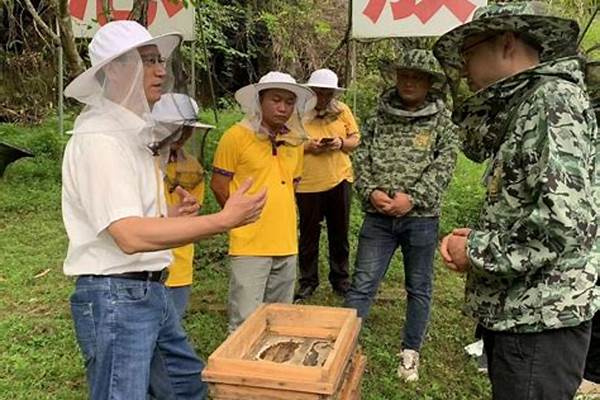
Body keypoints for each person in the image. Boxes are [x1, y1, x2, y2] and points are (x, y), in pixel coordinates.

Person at [62, 21, 266, 400]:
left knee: (186, 388)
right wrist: (223, 220)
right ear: (114, 69)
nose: (161, 70)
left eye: (160, 60)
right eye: (147, 60)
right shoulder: (101, 138)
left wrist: (168, 220)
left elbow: (128, 223)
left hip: (148, 291)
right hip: (116, 296)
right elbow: (128, 235)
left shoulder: (131, 134)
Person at [434, 2, 599, 399]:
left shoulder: (551, 101)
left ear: (506, 42)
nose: (465, 65)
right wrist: (487, 234)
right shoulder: (535, 103)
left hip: (539, 321)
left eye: (469, 51)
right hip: (528, 315)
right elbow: (542, 205)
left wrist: (473, 249)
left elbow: (559, 223)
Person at [344, 49, 459, 382]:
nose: (409, 82)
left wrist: (413, 200)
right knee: (362, 285)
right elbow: (360, 158)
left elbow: (444, 166)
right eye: (404, 75)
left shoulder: (442, 123)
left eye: (417, 77)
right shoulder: (378, 117)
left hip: (421, 220)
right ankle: (343, 346)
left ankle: (410, 353)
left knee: (419, 287)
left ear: (429, 83)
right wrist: (370, 192)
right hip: (377, 218)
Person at [210, 71, 315, 332]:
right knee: (244, 320)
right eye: (276, 100)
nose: (283, 107)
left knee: (280, 317)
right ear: (259, 101)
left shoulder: (294, 142)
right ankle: (237, 371)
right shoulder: (236, 136)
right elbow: (219, 185)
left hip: (286, 241)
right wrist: (237, 219)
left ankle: (272, 370)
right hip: (249, 244)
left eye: (289, 102)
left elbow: (293, 185)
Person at [293, 69, 360, 301]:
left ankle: (340, 279)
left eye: (326, 93)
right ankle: (307, 281)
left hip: (339, 178)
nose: (322, 97)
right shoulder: (297, 112)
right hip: (307, 182)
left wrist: (340, 142)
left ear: (333, 94)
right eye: (318, 92)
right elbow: (286, 143)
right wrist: (308, 147)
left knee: (339, 232)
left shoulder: (342, 111)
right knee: (308, 234)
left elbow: (355, 140)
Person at [152, 93, 214, 319]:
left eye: (186, 129)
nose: (182, 135)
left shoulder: (192, 167)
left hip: (179, 264)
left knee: (170, 329)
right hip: (143, 264)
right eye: (174, 128)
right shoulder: (139, 161)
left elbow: (191, 213)